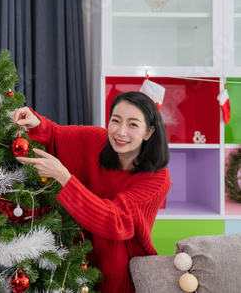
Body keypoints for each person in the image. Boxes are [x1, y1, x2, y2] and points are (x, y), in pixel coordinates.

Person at [12, 91, 171, 293]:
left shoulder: (157, 178)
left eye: (133, 124)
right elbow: (55, 135)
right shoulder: (95, 139)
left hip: (122, 273)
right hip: (73, 265)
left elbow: (115, 220)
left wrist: (65, 178)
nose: (121, 132)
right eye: (116, 121)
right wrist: (35, 122)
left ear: (148, 132)